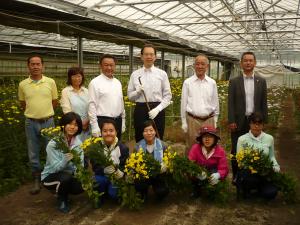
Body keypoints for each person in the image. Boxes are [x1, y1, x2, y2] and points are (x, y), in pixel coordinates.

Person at [18, 55, 58, 195]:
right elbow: (23, 104)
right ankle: (36, 179)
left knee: (51, 149)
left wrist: (45, 114)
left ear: (42, 66)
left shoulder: (50, 82)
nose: (35, 66)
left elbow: (54, 101)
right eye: (32, 64)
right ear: (28, 66)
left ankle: (49, 177)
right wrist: (34, 114)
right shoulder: (23, 84)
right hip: (31, 122)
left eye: (38, 64)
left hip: (48, 121)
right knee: (33, 151)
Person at [228, 51, 268, 183]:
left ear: (255, 63)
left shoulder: (261, 81)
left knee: (255, 148)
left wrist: (263, 121)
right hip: (239, 121)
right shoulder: (234, 81)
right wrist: (232, 120)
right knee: (236, 149)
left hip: (255, 121)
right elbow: (231, 103)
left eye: (251, 60)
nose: (248, 63)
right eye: (245, 60)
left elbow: (263, 102)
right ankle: (236, 176)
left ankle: (253, 176)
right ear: (241, 63)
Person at [128, 44, 172, 142]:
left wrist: (158, 109)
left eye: (151, 54)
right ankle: (140, 156)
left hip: (157, 110)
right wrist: (137, 92)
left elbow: (168, 95)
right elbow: (130, 96)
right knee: (140, 137)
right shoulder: (135, 75)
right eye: (146, 54)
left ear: (155, 57)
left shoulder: (162, 74)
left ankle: (157, 157)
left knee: (157, 136)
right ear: (141, 56)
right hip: (140, 109)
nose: (149, 57)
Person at [41, 112, 84, 213]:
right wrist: (65, 160)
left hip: (68, 175)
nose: (73, 127)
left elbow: (80, 164)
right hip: (50, 176)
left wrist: (80, 174)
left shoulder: (78, 143)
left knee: (82, 186)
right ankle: (62, 200)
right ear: (63, 125)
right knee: (65, 178)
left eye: (76, 125)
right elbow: (55, 168)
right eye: (69, 124)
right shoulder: (53, 144)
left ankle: (63, 190)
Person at [236, 112, 280, 200]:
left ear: (263, 125)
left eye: (259, 124)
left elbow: (271, 156)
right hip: (249, 172)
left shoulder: (269, 138)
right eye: (254, 123)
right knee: (249, 180)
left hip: (264, 171)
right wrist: (252, 167)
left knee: (271, 193)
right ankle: (246, 189)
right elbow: (239, 159)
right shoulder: (242, 139)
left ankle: (258, 190)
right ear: (250, 124)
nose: (256, 126)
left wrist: (275, 165)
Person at [181, 54, 219, 150]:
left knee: (208, 147)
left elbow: (215, 102)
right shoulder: (187, 83)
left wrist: (215, 120)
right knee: (192, 147)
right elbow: (183, 103)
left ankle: (207, 165)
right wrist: (183, 121)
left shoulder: (212, 83)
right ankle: (191, 165)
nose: (200, 66)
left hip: (208, 120)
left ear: (207, 66)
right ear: (194, 66)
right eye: (197, 64)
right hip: (193, 120)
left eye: (203, 64)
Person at [89, 119, 129, 204]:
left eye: (111, 130)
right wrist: (103, 170)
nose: (108, 133)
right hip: (102, 176)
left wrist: (121, 173)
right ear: (101, 132)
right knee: (96, 181)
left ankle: (110, 191)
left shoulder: (122, 148)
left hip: (116, 178)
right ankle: (100, 195)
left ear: (116, 132)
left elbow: (125, 165)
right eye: (105, 131)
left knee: (114, 194)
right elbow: (95, 167)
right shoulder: (96, 147)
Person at [88, 54, 125, 141]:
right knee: (102, 151)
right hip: (103, 122)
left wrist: (123, 121)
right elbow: (91, 105)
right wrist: (94, 126)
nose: (109, 68)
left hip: (117, 121)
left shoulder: (117, 82)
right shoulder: (95, 83)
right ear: (100, 66)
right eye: (106, 65)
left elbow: (121, 102)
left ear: (115, 66)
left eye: (111, 65)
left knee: (116, 148)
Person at [188, 125, 229, 198]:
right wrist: (197, 172)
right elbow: (189, 164)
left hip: (213, 172)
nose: (207, 139)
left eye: (210, 136)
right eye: (204, 137)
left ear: (215, 139)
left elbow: (224, 168)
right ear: (201, 139)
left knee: (211, 194)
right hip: (199, 171)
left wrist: (218, 175)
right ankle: (196, 188)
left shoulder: (220, 151)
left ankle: (212, 187)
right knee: (192, 175)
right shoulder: (195, 148)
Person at [135, 120, 169, 201]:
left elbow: (170, 161)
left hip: (158, 174)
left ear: (155, 131)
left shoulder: (163, 145)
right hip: (144, 175)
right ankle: (143, 192)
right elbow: (133, 163)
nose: (149, 133)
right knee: (139, 185)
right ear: (142, 133)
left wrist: (165, 166)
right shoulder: (137, 147)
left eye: (151, 130)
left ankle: (159, 190)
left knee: (162, 191)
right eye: (145, 131)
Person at [60, 67, 89, 141]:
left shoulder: (86, 91)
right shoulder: (66, 91)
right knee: (75, 147)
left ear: (82, 77)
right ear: (70, 78)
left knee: (89, 147)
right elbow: (67, 111)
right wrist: (79, 124)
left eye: (79, 76)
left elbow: (91, 107)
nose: (77, 79)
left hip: (88, 125)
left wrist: (88, 121)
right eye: (74, 76)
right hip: (73, 126)